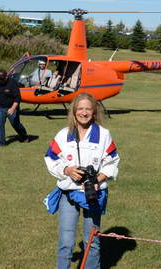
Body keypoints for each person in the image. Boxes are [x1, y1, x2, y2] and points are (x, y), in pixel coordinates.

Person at [43, 93, 120, 269]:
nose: (84, 113)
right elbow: (50, 157)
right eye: (80, 108)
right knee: (66, 242)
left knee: (92, 241)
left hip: (94, 195)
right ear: (74, 111)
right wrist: (66, 170)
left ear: (94, 112)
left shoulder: (103, 135)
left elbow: (113, 161)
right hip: (68, 194)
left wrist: (98, 179)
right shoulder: (63, 134)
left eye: (88, 109)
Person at [0, 69, 29, 146]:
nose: (0, 81)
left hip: (12, 106)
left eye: (2, 79)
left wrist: (12, 108)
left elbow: (17, 98)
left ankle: (24, 137)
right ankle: (1, 143)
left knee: (15, 124)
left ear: (6, 76)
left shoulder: (12, 83)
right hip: (0, 107)